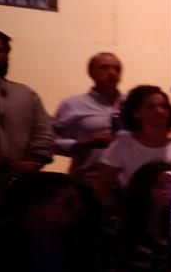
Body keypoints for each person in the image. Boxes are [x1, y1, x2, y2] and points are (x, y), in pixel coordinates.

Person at [0, 26, 55, 214]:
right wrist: (6, 165)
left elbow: (44, 137)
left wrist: (27, 167)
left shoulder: (24, 94)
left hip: (18, 191)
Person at [53, 52, 124, 185]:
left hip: (128, 183)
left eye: (117, 69)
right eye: (105, 67)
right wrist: (86, 143)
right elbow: (53, 142)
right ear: (91, 72)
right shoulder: (73, 104)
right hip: (88, 181)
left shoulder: (132, 105)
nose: (112, 72)